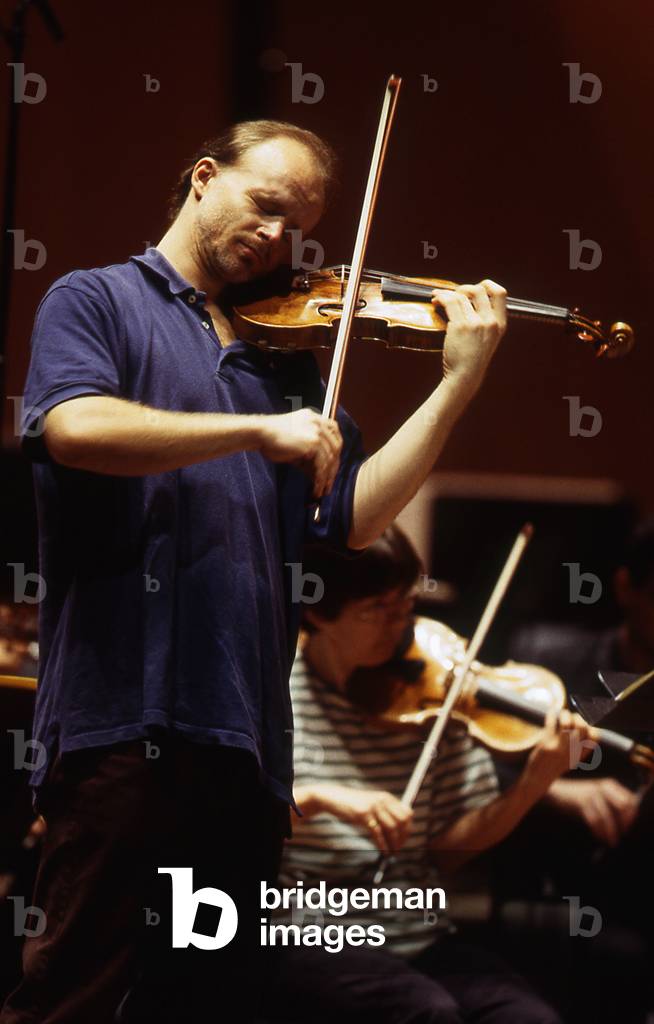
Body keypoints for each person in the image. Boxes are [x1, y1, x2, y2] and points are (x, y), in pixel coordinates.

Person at [0, 120, 508, 1024]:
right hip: (123, 722)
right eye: (265, 206)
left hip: (246, 749)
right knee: (76, 997)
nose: (278, 238)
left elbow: (356, 519)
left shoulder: (288, 363)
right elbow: (73, 428)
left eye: (297, 227)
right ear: (205, 177)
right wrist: (257, 432)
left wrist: (456, 384)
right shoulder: (96, 299)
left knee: (210, 1004)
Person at [264, 524, 598, 1024]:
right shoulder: (273, 694)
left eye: (406, 604)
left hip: (418, 935)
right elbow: (232, 828)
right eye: (378, 610)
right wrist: (320, 798)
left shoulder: (439, 695)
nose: (401, 625)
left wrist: (535, 782)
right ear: (316, 612)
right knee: (429, 1013)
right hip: (306, 933)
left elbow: (446, 852)